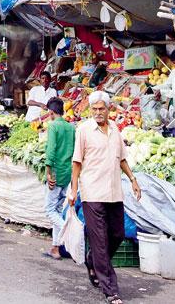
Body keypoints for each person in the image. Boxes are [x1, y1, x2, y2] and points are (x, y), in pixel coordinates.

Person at [69, 91, 141, 304]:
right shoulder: (83, 131)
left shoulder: (115, 130)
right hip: (92, 192)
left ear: (109, 109)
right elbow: (76, 162)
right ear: (90, 110)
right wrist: (74, 190)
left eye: (102, 109)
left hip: (114, 191)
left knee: (117, 234)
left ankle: (93, 261)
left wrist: (133, 179)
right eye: (95, 109)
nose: (98, 113)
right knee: (99, 240)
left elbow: (122, 159)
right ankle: (111, 289)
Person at [42, 97, 75, 260]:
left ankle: (69, 231)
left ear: (51, 112)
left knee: (49, 210)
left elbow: (51, 151)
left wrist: (48, 173)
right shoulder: (71, 128)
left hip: (55, 172)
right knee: (56, 210)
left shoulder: (53, 126)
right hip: (67, 172)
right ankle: (55, 248)